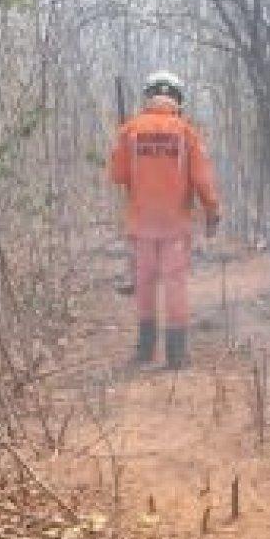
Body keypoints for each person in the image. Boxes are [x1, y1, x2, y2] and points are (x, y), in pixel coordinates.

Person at [109, 70, 221, 369]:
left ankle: (145, 351)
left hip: (141, 227)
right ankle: (176, 354)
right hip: (175, 227)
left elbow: (117, 176)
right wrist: (212, 211)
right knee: (175, 287)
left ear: (148, 96)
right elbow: (203, 180)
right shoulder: (187, 132)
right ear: (177, 98)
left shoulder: (129, 130)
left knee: (144, 286)